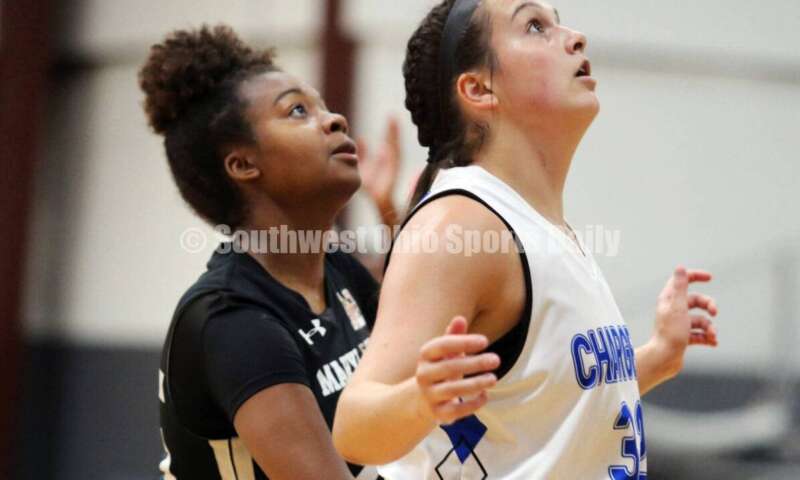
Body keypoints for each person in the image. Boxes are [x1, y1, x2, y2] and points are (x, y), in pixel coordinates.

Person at [333, 1, 719, 478]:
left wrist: (657, 357)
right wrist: (420, 397)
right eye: (535, 26)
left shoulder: (535, 222)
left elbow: (547, 407)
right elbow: (353, 427)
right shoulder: (463, 226)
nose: (574, 37)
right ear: (478, 88)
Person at [139, 25, 400, 479]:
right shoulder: (235, 321)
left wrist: (389, 211)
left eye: (322, 105)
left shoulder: (336, 269)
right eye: (298, 111)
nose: (334, 119)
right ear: (243, 164)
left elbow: (414, 302)